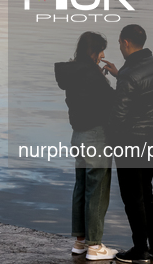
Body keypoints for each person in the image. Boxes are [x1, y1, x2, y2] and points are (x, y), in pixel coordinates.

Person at [102, 24, 153, 264]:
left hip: (130, 140)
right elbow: (145, 91)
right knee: (147, 193)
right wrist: (121, 75)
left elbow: (119, 116)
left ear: (125, 42)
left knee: (132, 197)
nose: (120, 47)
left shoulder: (130, 75)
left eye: (120, 43)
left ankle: (140, 250)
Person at [54, 31, 119, 261]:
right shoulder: (92, 75)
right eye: (101, 50)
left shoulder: (73, 72)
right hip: (96, 137)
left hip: (78, 136)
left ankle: (80, 242)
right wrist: (116, 76)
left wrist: (99, 78)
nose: (102, 55)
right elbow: (113, 101)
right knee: (97, 190)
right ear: (93, 51)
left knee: (81, 187)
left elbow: (87, 97)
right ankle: (95, 246)